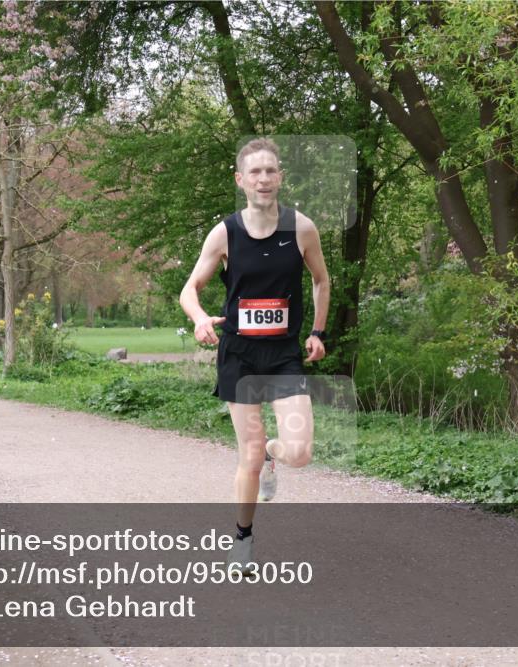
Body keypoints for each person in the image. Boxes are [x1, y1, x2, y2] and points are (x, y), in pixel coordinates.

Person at [180, 138, 330, 573]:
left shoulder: (301, 228)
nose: (264, 179)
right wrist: (199, 318)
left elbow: (322, 281)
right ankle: (243, 538)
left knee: (299, 452)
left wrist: (318, 330)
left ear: (280, 177)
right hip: (239, 355)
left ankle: (272, 454)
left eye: (271, 170)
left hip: (283, 353)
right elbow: (190, 289)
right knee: (246, 455)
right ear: (240, 179)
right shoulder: (225, 232)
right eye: (255, 172)